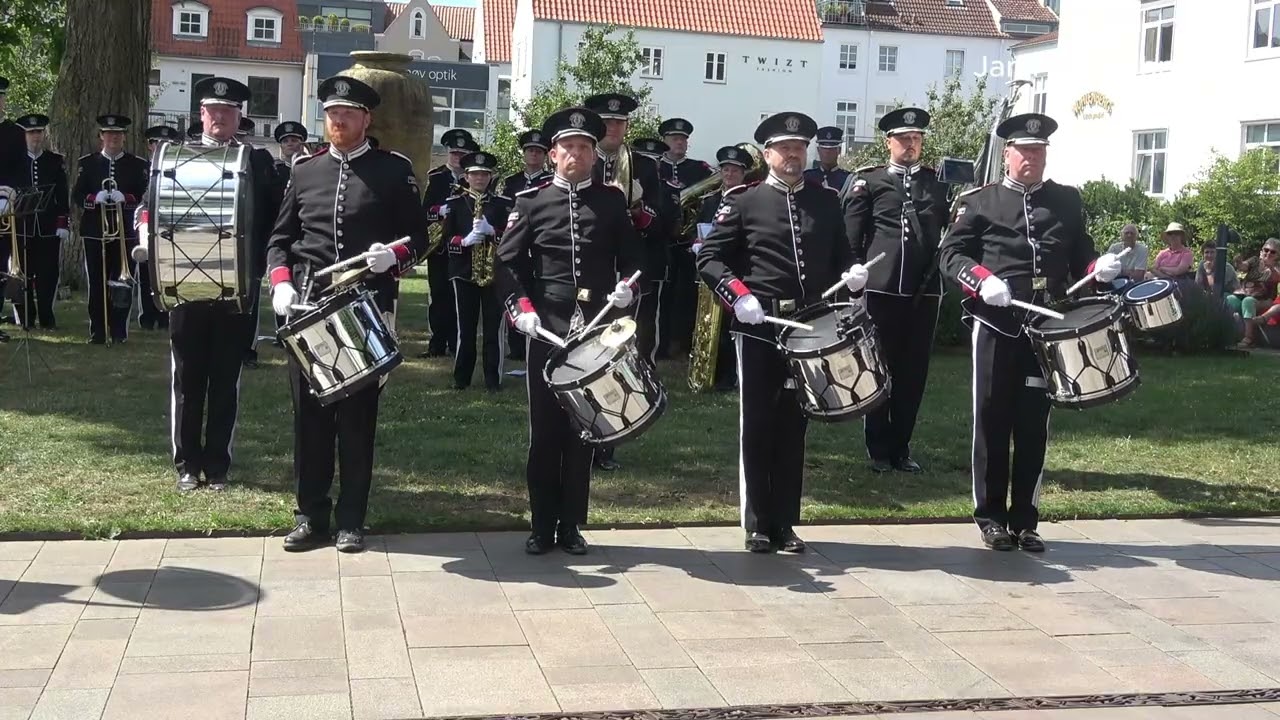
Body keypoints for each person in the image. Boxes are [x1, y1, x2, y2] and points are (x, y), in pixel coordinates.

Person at [938, 113, 1122, 553]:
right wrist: (981, 279)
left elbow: (1080, 255)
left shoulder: (1065, 200)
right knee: (992, 418)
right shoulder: (980, 201)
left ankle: (1025, 520)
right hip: (996, 323)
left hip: (1046, 327)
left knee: (1033, 422)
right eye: (1024, 151)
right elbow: (950, 255)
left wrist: (1098, 267)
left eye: (1038, 151)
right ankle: (990, 518)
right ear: (1008, 154)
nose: (1032, 158)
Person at [266, 76, 429, 553]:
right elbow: (280, 239)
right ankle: (310, 514)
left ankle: (352, 518)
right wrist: (280, 282)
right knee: (309, 419)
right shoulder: (305, 170)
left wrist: (393, 256)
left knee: (357, 420)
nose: (339, 121)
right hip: (309, 306)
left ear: (366, 119)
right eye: (333, 114)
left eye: (348, 114)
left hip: (365, 306)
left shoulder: (392, 170)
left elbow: (419, 238)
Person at [697, 112, 864, 553]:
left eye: (800, 148)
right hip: (760, 326)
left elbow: (842, 253)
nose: (793, 155)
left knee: (794, 424)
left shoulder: (825, 200)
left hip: (809, 327)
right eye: (785, 148)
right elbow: (709, 258)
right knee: (757, 423)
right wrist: (738, 296)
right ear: (767, 154)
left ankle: (785, 522)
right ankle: (757, 523)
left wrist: (853, 273)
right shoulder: (744, 200)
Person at [496, 106, 642, 555]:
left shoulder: (611, 201)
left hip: (595, 327)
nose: (576, 154)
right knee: (545, 431)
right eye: (568, 147)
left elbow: (635, 260)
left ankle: (571, 525)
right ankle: (541, 525)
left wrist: (627, 290)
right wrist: (522, 310)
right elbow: (507, 264)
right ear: (553, 154)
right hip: (548, 327)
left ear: (594, 155)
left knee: (584, 430)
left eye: (584, 147)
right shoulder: (531, 201)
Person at [134, 77, 279, 492]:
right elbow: (147, 205)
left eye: (228, 111)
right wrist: (145, 235)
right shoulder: (174, 157)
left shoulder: (257, 161)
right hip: (185, 282)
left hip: (236, 286)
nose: (220, 117)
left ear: (239, 116)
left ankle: (217, 466)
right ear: (201, 114)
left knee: (225, 378)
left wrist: (266, 266)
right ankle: (186, 464)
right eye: (213, 110)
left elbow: (275, 217)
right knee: (187, 377)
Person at [841, 107, 949, 473]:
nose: (910, 144)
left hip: (924, 291)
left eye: (916, 139)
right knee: (879, 368)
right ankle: (878, 448)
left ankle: (901, 447)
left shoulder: (937, 183)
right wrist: (854, 274)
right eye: (904, 139)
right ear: (889, 142)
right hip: (882, 289)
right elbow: (852, 236)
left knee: (913, 373)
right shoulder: (868, 181)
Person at [584, 93, 663, 472]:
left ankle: (609, 441)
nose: (613, 128)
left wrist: (641, 212)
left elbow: (665, 220)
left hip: (626, 273)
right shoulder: (583, 159)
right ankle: (580, 433)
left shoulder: (644, 165)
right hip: (589, 271)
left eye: (619, 123)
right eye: (607, 123)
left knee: (620, 355)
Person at [443, 150, 513, 390]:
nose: (480, 178)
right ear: (466, 177)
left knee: (494, 329)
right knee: (465, 328)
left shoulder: (502, 204)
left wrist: (493, 232)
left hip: (494, 273)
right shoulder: (455, 203)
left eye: (484, 174)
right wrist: (463, 241)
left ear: (490, 176)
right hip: (463, 272)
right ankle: (461, 379)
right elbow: (445, 240)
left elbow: (512, 238)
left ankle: (493, 379)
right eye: (475, 174)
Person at [72, 114, 145, 343]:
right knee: (96, 282)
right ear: (101, 136)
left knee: (122, 282)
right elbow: (77, 195)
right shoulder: (88, 163)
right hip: (95, 231)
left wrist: (128, 198)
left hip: (126, 232)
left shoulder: (137, 164)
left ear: (124, 137)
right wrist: (95, 198)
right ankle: (98, 331)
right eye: (109, 133)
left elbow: (144, 195)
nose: (114, 137)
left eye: (118, 134)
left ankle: (119, 331)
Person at [691, 145, 754, 391]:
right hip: (709, 271)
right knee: (707, 325)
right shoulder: (710, 201)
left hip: (734, 271)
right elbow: (698, 228)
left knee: (730, 325)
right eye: (726, 170)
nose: (729, 174)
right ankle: (707, 371)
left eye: (735, 171)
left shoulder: (749, 200)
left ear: (743, 173)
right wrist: (697, 244)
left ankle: (730, 375)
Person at [657, 117, 713, 361]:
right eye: (675, 138)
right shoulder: (655, 166)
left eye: (683, 139)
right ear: (665, 140)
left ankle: (683, 343)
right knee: (663, 295)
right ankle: (661, 343)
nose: (680, 142)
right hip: (661, 240)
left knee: (687, 295)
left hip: (689, 243)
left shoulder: (699, 169)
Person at [421, 128, 479, 358]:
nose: (457, 157)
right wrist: (440, 210)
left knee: (459, 297)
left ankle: (456, 344)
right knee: (438, 295)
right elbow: (424, 211)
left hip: (464, 246)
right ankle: (436, 344)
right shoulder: (436, 178)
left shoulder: (473, 178)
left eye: (461, 154)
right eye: (454, 153)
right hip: (439, 247)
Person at [8, 114, 68, 331]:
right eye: (31, 132)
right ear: (24, 135)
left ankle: (46, 317)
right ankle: (25, 317)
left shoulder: (54, 161)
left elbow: (62, 195)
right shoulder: (13, 161)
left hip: (47, 227)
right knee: (20, 273)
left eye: (39, 132)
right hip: (20, 227)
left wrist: (63, 222)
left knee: (48, 274)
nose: (35, 136)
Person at [500, 129, 552, 363]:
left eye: (539, 151)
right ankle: (516, 347)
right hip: (515, 244)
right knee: (515, 288)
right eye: (530, 150)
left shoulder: (549, 182)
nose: (534, 155)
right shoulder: (510, 182)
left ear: (545, 155)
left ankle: (536, 342)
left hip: (538, 246)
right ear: (523, 154)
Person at [136, 126, 180, 331]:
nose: (160, 146)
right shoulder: (142, 167)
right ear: (149, 145)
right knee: (146, 274)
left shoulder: (178, 169)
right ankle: (147, 316)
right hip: (148, 227)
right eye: (156, 142)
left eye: (166, 143)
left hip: (170, 227)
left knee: (168, 273)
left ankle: (165, 316)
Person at [0, 78, 30, 339]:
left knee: (1, 265)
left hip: (4, 206)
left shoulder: (15, 133)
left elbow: (22, 171)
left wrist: (13, 191)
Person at [1230, 238, 1280, 349]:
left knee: (1248, 302)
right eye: (1266, 250)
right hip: (1245, 292)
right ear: (1261, 251)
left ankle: (1249, 337)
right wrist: (1238, 262)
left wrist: (1270, 267)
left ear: (1278, 256)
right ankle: (1228, 332)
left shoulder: (1277, 267)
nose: (1268, 253)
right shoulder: (1254, 260)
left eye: (1273, 252)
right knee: (1230, 300)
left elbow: (1277, 278)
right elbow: (1243, 267)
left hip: (1265, 299)